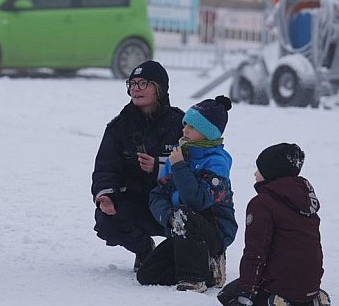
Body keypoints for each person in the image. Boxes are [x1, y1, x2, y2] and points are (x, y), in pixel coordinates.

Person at [92, 60, 185, 272]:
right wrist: (105, 195)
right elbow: (105, 169)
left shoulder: (181, 124)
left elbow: (196, 169)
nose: (135, 88)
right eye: (131, 83)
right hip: (136, 203)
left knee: (198, 217)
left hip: (170, 202)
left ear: (159, 88)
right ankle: (144, 249)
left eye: (143, 83)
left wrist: (159, 167)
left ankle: (189, 256)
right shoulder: (119, 127)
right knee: (107, 220)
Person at [137, 95, 237, 293]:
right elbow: (157, 195)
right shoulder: (179, 154)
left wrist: (180, 167)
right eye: (185, 125)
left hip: (213, 232)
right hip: (181, 229)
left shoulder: (217, 162)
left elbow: (198, 201)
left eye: (192, 127)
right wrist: (168, 216)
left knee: (184, 211)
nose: (184, 130)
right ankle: (206, 269)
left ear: (208, 133)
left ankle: (195, 279)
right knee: (147, 274)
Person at [218, 143, 328, 306]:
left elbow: (255, 252)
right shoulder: (304, 200)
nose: (255, 174)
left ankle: (277, 301)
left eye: (260, 169)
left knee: (227, 296)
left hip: (281, 284)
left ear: (272, 172)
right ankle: (308, 300)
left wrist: (246, 292)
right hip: (310, 284)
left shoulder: (262, 203)